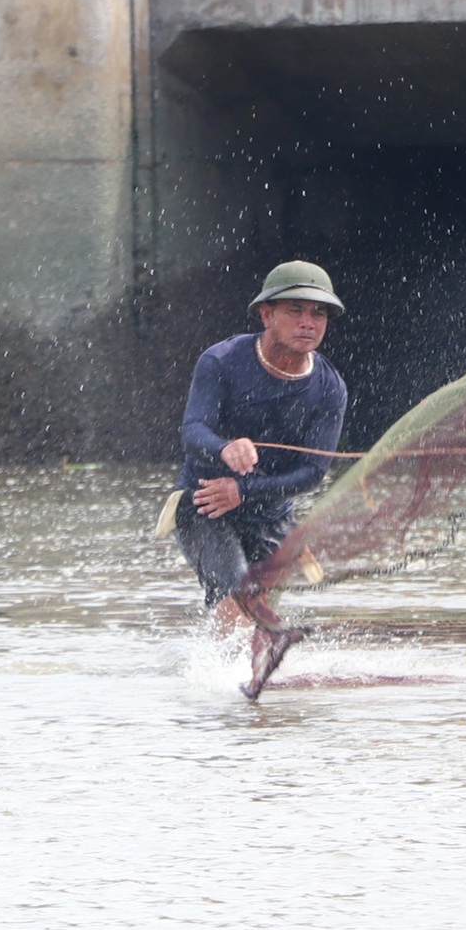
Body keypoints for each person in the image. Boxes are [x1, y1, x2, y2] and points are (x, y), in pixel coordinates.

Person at [171, 261, 349, 700]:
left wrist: (245, 490)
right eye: (296, 310)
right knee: (235, 593)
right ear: (266, 315)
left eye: (319, 313)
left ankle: (232, 681)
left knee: (255, 607)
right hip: (206, 505)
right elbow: (192, 431)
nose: (308, 322)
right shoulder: (221, 361)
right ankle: (219, 687)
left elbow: (311, 473)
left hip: (270, 516)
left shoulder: (330, 388)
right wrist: (223, 449)